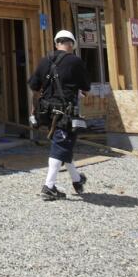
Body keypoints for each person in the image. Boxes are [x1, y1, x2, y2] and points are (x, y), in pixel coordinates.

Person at [28, 30, 91, 200]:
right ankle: (49, 187)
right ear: (71, 45)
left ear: (56, 44)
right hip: (65, 112)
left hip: (48, 111)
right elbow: (86, 87)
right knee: (61, 145)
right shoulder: (75, 62)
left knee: (64, 143)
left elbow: (34, 85)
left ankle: (77, 180)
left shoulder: (45, 60)